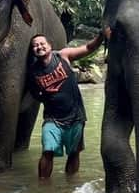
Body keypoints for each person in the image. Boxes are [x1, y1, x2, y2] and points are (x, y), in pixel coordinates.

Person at [29, 32, 104, 178]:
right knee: (47, 151)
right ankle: (43, 185)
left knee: (74, 152)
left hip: (75, 116)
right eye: (35, 46)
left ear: (49, 46)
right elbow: (34, 95)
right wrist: (46, 95)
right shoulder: (33, 71)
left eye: (42, 44)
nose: (39, 47)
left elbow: (88, 48)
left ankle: (70, 185)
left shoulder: (63, 56)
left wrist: (101, 36)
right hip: (52, 119)